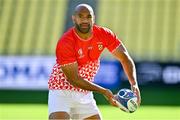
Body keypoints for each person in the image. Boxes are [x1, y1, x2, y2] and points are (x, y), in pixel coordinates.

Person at [48, 3, 141, 120]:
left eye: (89, 16)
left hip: (84, 94)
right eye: (80, 16)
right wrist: (104, 91)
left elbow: (125, 58)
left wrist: (134, 84)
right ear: (74, 18)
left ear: (94, 18)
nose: (85, 20)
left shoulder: (104, 34)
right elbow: (74, 79)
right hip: (61, 91)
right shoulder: (66, 42)